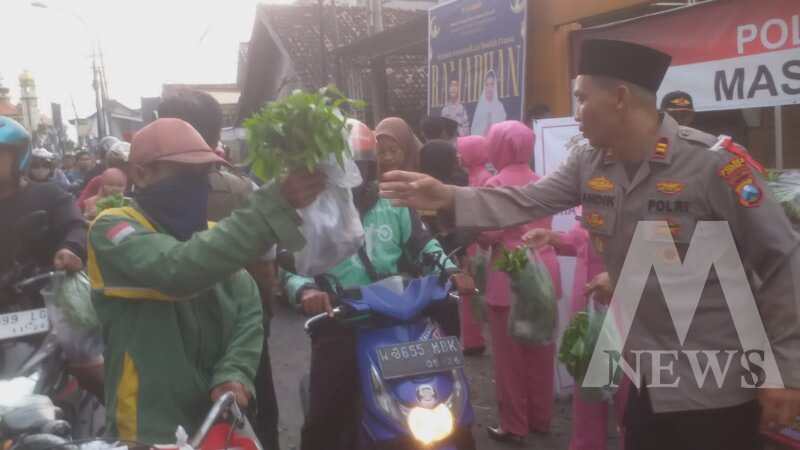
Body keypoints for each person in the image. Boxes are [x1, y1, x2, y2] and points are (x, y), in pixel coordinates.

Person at [380, 39, 800, 450]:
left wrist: (787, 369)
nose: (576, 113)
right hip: (648, 382)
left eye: (581, 98)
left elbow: (784, 258)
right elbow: (527, 199)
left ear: (619, 97)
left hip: (719, 387)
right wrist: (450, 198)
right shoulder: (590, 163)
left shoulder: (715, 166)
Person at [86, 118, 325, 444]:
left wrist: (235, 372)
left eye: (203, 174)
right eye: (184, 174)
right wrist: (272, 206)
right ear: (140, 174)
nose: (197, 185)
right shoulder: (113, 229)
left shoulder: (211, 235)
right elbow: (176, 270)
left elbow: (248, 306)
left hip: (214, 419)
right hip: (148, 427)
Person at [284, 126, 475, 450]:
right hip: (343, 320)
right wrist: (307, 292)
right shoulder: (311, 212)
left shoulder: (394, 202)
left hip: (402, 317)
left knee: (453, 404)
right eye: (344, 165)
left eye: (360, 163)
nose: (353, 173)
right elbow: (289, 269)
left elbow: (423, 244)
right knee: (325, 416)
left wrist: (451, 270)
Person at [156, 88, 280, 449]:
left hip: (170, 332)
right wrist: (261, 317)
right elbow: (264, 269)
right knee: (253, 415)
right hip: (238, 326)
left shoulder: (142, 195)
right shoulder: (242, 191)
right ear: (213, 136)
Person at [473, 121, 561, 444]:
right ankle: (542, 418)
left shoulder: (495, 184)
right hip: (544, 268)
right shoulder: (543, 181)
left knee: (510, 358)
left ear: (499, 146)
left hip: (507, 274)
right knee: (541, 349)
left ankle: (514, 424)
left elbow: (489, 233)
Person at [523, 215, 629, 450]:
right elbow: (579, 242)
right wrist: (552, 238)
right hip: (587, 315)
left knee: (628, 396)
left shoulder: (639, 204)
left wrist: (619, 278)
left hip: (626, 311)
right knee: (587, 395)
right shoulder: (593, 198)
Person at [455, 135, 493, 355]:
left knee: (472, 292)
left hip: (476, 244)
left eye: (462, 151)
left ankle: (474, 339)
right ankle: (472, 338)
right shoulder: (472, 176)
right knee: (469, 294)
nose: (458, 156)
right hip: (471, 243)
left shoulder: (484, 179)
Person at [77, 142, 130, 212]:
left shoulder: (138, 182)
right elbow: (79, 207)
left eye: (125, 165)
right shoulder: (99, 180)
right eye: (114, 165)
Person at [471, 70, 507, 137]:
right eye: (487, 85)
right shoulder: (480, 107)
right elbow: (473, 131)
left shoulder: (500, 107)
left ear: (495, 86)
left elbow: (503, 131)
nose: (489, 88)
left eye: (492, 84)